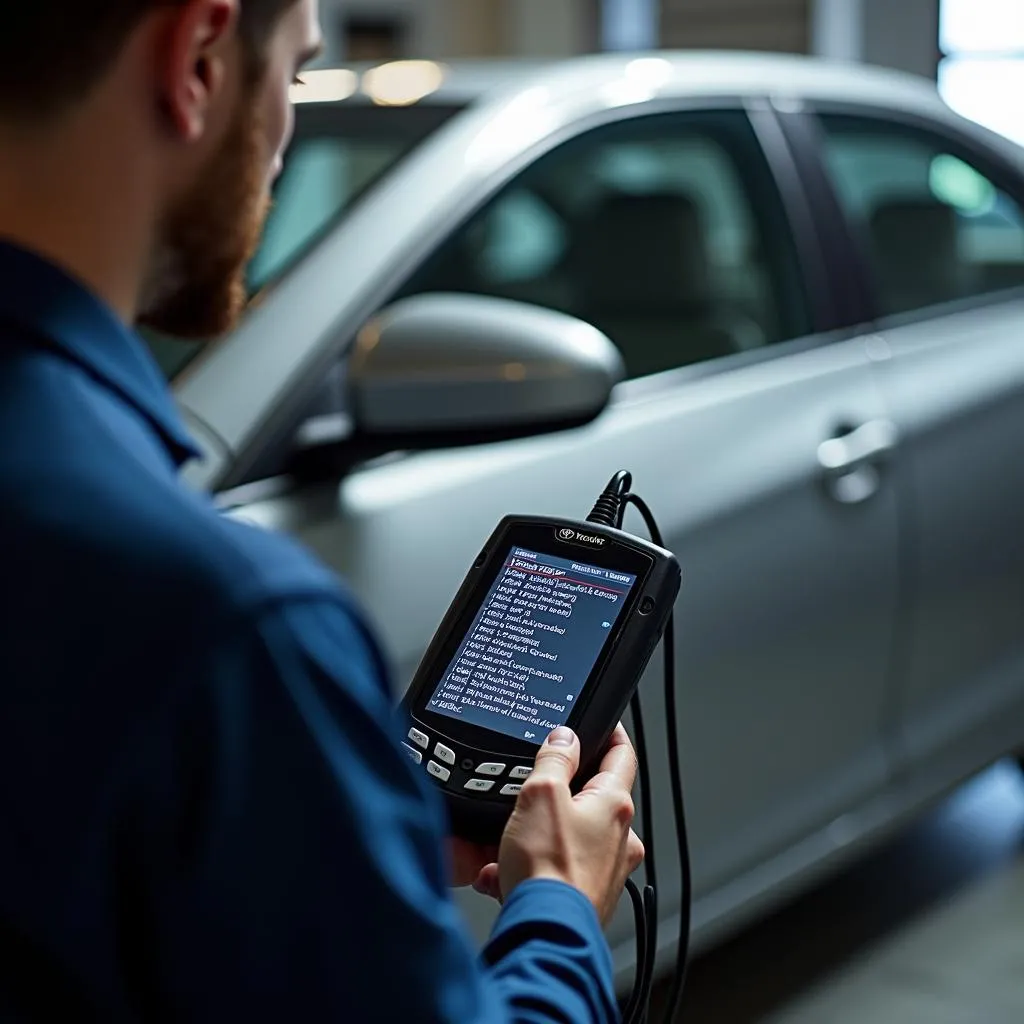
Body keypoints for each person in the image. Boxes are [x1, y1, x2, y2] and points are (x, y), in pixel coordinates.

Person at [0, 1, 646, 1020]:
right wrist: (559, 907)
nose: (284, 141)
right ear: (200, 57)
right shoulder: (221, 624)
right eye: (296, 76)